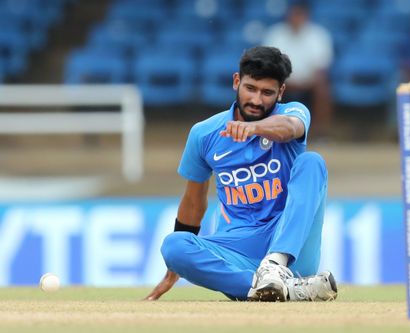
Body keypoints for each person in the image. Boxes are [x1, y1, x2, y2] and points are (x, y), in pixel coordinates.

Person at [144, 46, 337, 302]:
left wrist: (253, 128)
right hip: (237, 248)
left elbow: (291, 128)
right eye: (251, 89)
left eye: (267, 93)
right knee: (174, 245)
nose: (257, 100)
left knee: (312, 162)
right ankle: (284, 290)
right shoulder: (204, 134)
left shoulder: (293, 112)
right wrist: (174, 269)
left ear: (280, 93)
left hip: (291, 245)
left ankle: (276, 266)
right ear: (237, 81)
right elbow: (193, 201)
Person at [262, 2, 334, 139]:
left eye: (300, 15)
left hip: (310, 83)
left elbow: (321, 69)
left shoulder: (318, 35)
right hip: (282, 82)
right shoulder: (275, 34)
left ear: (306, 16)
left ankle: (320, 134)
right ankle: (266, 130)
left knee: (323, 89)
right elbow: (269, 66)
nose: (296, 18)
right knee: (266, 86)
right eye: (294, 14)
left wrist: (307, 83)